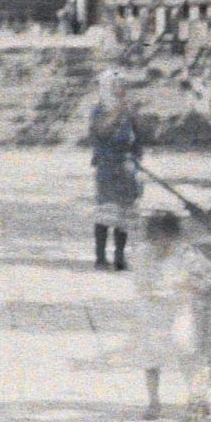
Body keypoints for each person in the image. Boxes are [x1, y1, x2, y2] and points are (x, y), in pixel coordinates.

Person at [134, 210, 211, 421]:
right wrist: (151, 290)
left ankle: (197, 399)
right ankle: (153, 401)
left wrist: (192, 286)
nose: (160, 245)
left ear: (173, 236)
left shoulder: (186, 254)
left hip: (181, 311)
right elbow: (141, 283)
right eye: (155, 240)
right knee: (150, 357)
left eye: (165, 240)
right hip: (152, 312)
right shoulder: (142, 253)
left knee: (188, 354)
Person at [89, 67, 142, 270]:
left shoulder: (128, 110)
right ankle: (100, 257)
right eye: (116, 86)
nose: (121, 89)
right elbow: (101, 131)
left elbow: (138, 136)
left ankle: (120, 256)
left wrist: (136, 158)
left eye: (122, 86)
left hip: (127, 166)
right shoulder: (99, 110)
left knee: (125, 213)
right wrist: (119, 110)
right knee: (106, 211)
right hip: (107, 166)